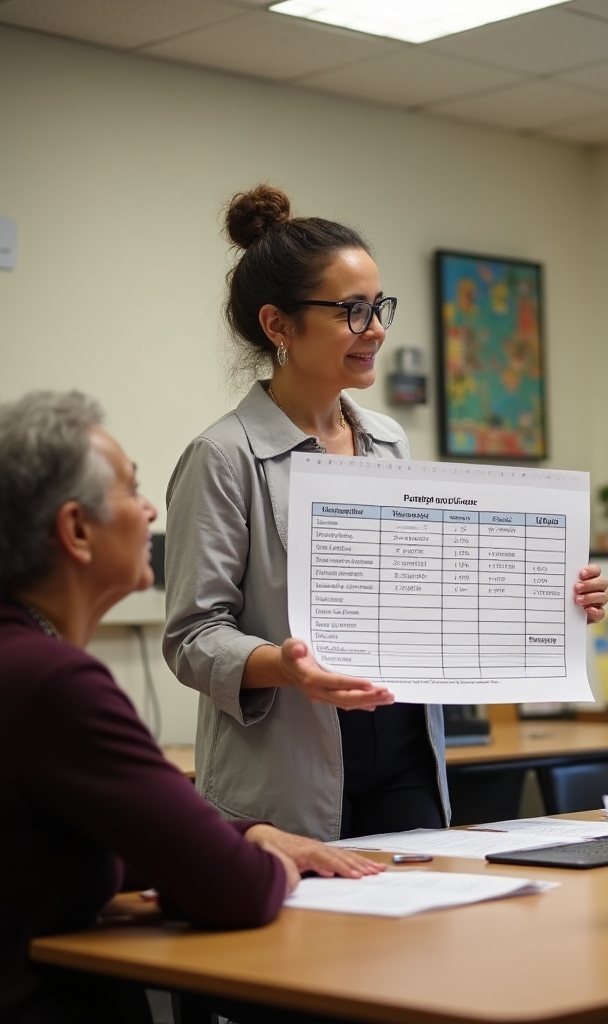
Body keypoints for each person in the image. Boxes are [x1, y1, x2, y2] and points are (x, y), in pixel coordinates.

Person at [163, 184, 608, 842]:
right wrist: (282, 665)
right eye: (352, 311)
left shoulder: (388, 441)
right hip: (288, 770)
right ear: (278, 325)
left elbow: (421, 594)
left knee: (416, 936)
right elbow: (192, 637)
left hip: (404, 754)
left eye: (378, 307)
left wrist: (551, 598)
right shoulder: (223, 456)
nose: (377, 330)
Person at [0, 391, 385, 1024]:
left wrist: (249, 833)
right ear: (75, 530)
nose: (151, 511)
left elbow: (83, 845)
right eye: (132, 491)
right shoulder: (54, 684)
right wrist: (260, 860)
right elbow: (237, 890)